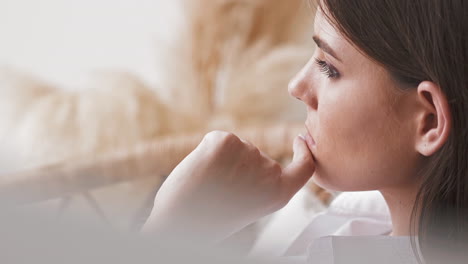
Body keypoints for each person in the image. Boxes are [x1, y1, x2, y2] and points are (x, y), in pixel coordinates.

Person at [143, 0, 468, 263]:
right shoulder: (354, 220)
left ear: (427, 122)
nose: (296, 86)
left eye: (329, 68)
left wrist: (171, 230)